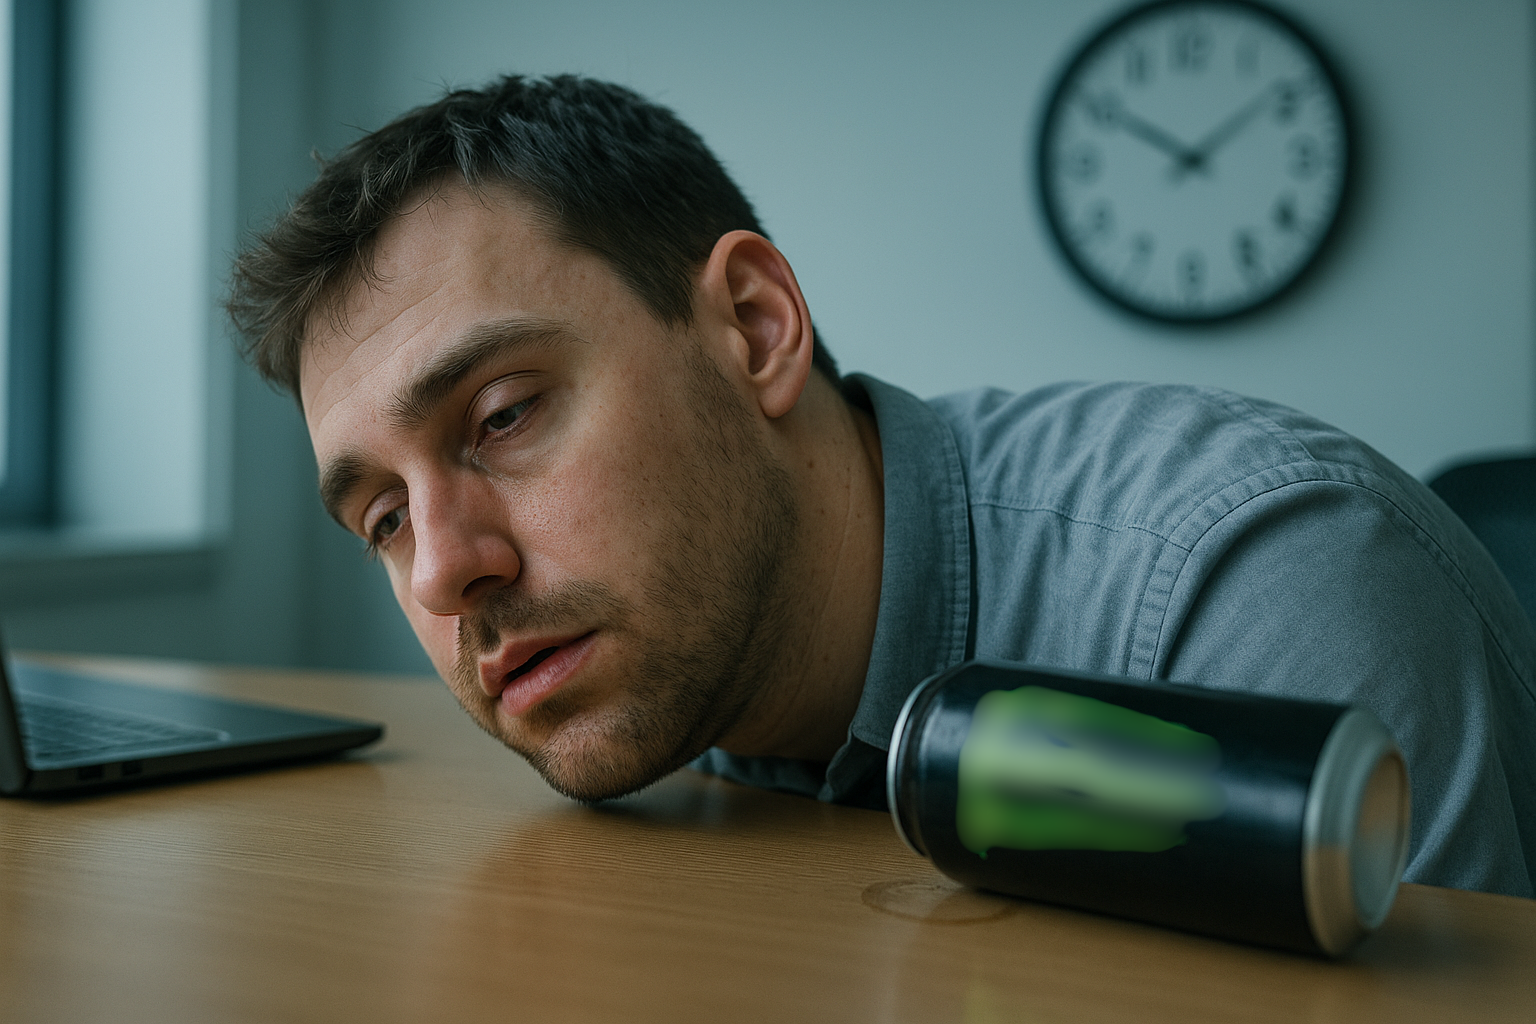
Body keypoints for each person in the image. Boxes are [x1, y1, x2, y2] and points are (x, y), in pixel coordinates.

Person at [228, 75, 1536, 898]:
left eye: (502, 415)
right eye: (384, 519)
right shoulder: (694, 660)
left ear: (752, 328)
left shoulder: (1264, 595)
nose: (445, 572)